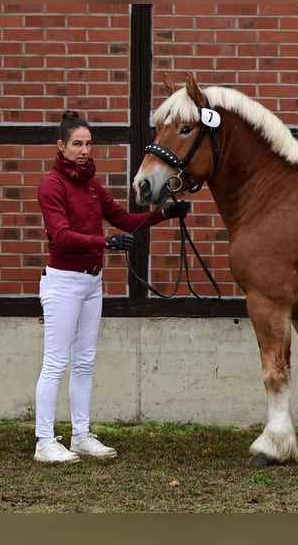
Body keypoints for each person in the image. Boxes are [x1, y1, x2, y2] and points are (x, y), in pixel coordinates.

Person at [34, 110, 187, 464]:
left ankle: (80, 434)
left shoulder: (90, 184)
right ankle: (44, 441)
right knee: (56, 363)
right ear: (61, 146)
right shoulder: (52, 186)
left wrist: (165, 214)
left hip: (91, 282)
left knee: (85, 361)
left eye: (88, 144)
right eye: (77, 144)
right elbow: (61, 236)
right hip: (63, 283)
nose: (85, 150)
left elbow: (122, 218)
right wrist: (105, 243)